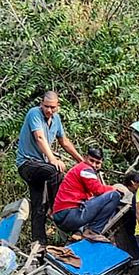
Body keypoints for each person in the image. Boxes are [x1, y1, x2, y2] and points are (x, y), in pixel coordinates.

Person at [16, 91, 83, 244]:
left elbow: (64, 142)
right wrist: (53, 159)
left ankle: (39, 244)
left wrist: (81, 161)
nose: (49, 110)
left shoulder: (56, 119)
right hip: (28, 164)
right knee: (56, 171)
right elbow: (39, 137)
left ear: (57, 106)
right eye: (46, 106)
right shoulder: (34, 113)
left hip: (41, 166)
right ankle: (57, 208)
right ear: (41, 104)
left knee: (38, 206)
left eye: (52, 107)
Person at [52, 147, 125, 236]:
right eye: (92, 161)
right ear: (85, 157)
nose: (94, 165)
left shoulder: (80, 169)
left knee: (92, 200)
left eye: (98, 163)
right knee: (114, 196)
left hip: (63, 215)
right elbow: (98, 190)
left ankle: (79, 232)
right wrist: (113, 189)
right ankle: (93, 231)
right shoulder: (85, 169)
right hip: (68, 214)